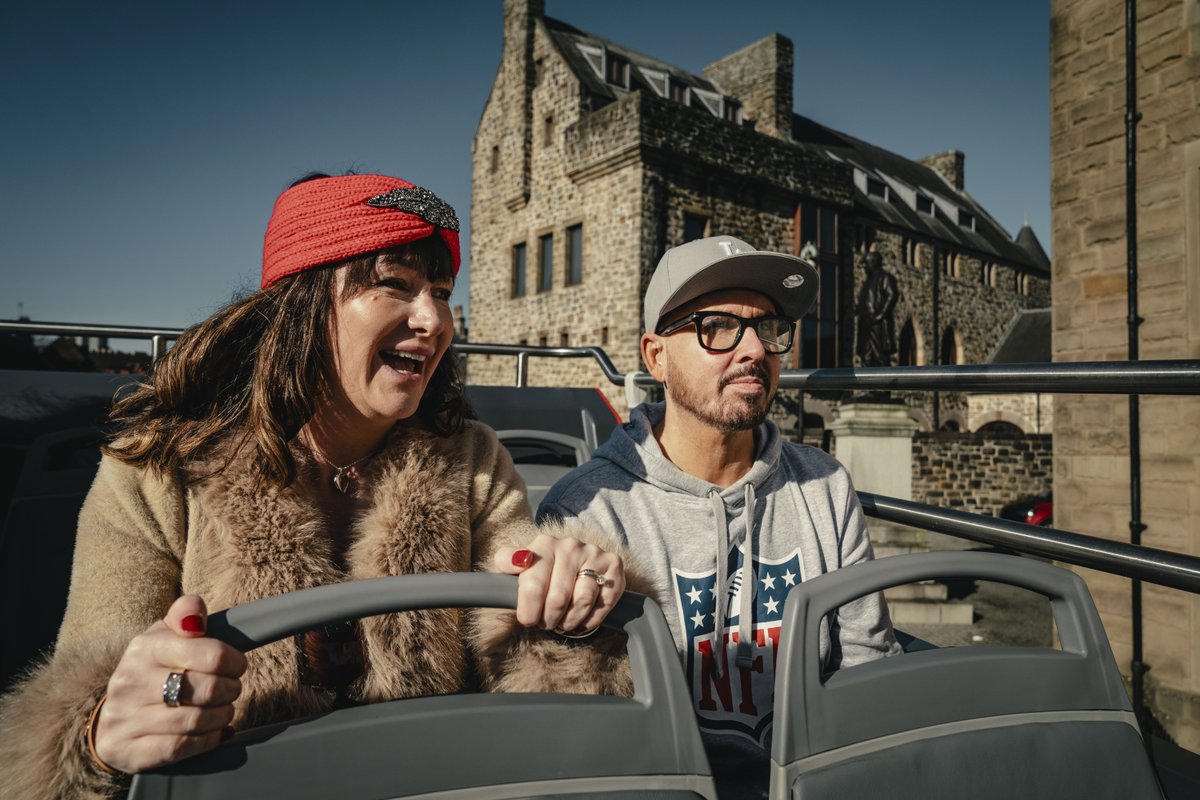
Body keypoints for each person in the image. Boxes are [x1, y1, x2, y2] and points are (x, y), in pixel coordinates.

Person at [0, 173, 631, 799]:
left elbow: (521, 574)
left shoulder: (472, 459)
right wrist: (97, 734)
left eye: (441, 291)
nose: (434, 319)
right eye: (396, 286)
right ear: (304, 304)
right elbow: (80, 691)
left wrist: (564, 596)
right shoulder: (157, 472)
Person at [538, 235, 900, 794]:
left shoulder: (824, 485)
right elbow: (583, 740)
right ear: (656, 356)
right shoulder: (591, 510)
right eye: (718, 327)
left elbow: (868, 674)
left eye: (767, 327)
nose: (755, 348)